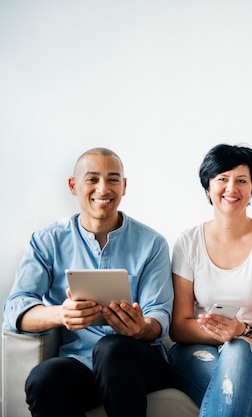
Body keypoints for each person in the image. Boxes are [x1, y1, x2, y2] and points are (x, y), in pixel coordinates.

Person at [3, 148, 174, 417]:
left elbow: (159, 317)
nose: (103, 189)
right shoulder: (47, 242)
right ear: (73, 186)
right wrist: (60, 314)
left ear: (124, 186)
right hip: (82, 364)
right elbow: (15, 309)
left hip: (138, 363)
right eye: (92, 179)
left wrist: (141, 328)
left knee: (112, 349)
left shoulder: (152, 244)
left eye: (113, 179)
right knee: (43, 378)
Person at [168, 144, 252, 417]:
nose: (231, 188)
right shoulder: (188, 242)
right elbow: (179, 327)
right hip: (196, 351)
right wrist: (221, 333)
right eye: (222, 179)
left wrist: (240, 330)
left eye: (241, 180)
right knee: (232, 390)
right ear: (208, 186)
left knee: (236, 352)